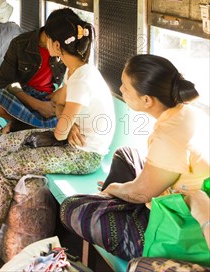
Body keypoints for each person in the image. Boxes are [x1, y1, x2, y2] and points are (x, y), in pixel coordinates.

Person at [0, 8, 115, 270]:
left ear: (56, 45)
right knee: (6, 142)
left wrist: (65, 123)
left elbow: (60, 129)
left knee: (6, 168)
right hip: (67, 141)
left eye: (48, 39)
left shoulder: (82, 78)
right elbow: (55, 100)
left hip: (83, 155)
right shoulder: (76, 71)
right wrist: (67, 118)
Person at [60, 54, 209, 260]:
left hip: (179, 223)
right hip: (170, 192)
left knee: (72, 207)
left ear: (147, 100)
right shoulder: (183, 111)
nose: (120, 90)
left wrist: (114, 189)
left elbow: (143, 194)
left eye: (125, 87)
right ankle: (116, 203)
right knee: (126, 154)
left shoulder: (167, 136)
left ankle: (125, 219)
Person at [0, 12, 67, 133]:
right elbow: (2, 81)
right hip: (22, 95)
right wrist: (37, 105)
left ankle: (19, 124)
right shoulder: (20, 43)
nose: (60, 48)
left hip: (47, 98)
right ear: (49, 34)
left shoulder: (66, 48)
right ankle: (36, 124)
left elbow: (73, 80)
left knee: (75, 114)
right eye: (58, 43)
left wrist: (58, 94)